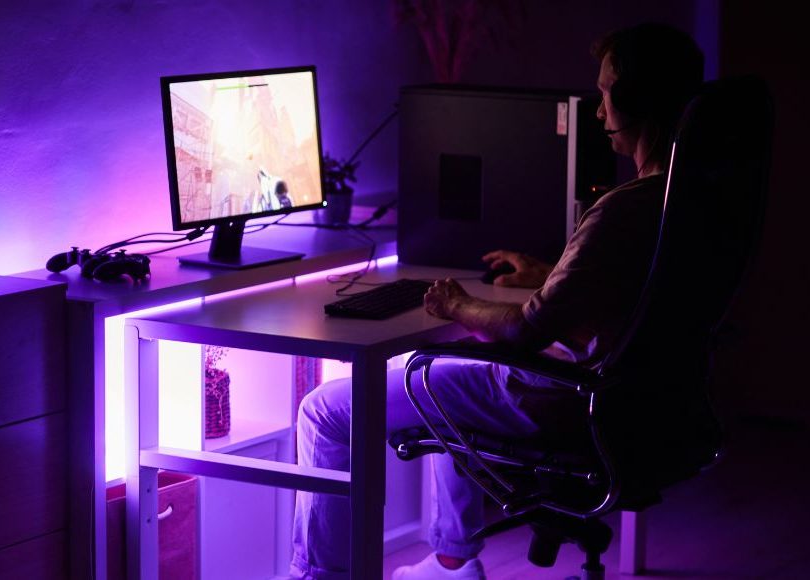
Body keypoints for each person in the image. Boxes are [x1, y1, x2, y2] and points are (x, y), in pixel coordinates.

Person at [290, 22, 704, 580]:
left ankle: (320, 576)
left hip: (554, 398)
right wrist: (549, 275)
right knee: (443, 368)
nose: (600, 112)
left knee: (326, 411)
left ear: (635, 101)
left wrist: (456, 304)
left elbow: (524, 331)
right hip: (635, 403)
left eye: (606, 94)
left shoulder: (620, 210)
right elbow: (630, 300)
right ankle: (453, 561)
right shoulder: (686, 201)